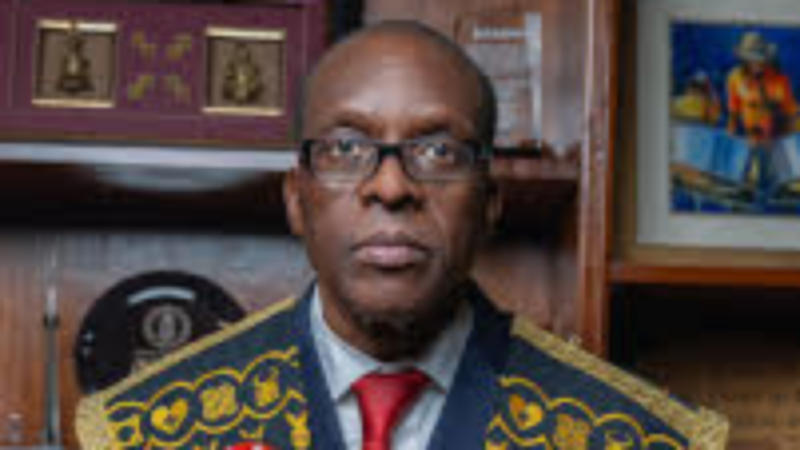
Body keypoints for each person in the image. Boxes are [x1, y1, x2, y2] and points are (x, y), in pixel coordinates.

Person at [75, 21, 728, 449]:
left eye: (438, 151)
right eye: (346, 148)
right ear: (297, 200)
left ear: (489, 204)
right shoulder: (149, 428)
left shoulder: (629, 435)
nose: (390, 186)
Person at [726, 31, 798, 202]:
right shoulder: (735, 78)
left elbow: (790, 112)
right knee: (748, 174)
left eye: (760, 59)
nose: (757, 63)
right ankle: (748, 188)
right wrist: (731, 134)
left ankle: (782, 186)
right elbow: (734, 109)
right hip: (750, 135)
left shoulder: (779, 80)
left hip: (777, 136)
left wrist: (785, 136)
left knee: (775, 178)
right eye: (752, 59)